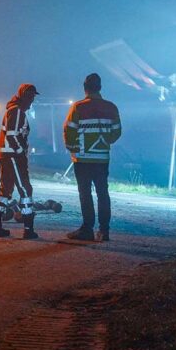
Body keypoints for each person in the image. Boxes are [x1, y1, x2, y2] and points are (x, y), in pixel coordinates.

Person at [64, 73, 121, 242]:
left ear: (85, 88)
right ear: (100, 87)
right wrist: (105, 142)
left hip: (82, 159)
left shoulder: (78, 107)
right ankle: (104, 231)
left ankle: (87, 229)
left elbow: (69, 130)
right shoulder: (111, 107)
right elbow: (117, 132)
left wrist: (73, 149)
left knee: (85, 193)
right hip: (102, 159)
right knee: (103, 193)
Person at [0, 83, 40, 239]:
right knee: (25, 190)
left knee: (5, 191)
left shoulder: (14, 110)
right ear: (24, 96)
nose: (32, 101)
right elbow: (12, 135)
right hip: (13, 156)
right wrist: (20, 153)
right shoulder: (17, 111)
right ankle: (28, 229)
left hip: (7, 156)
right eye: (31, 97)